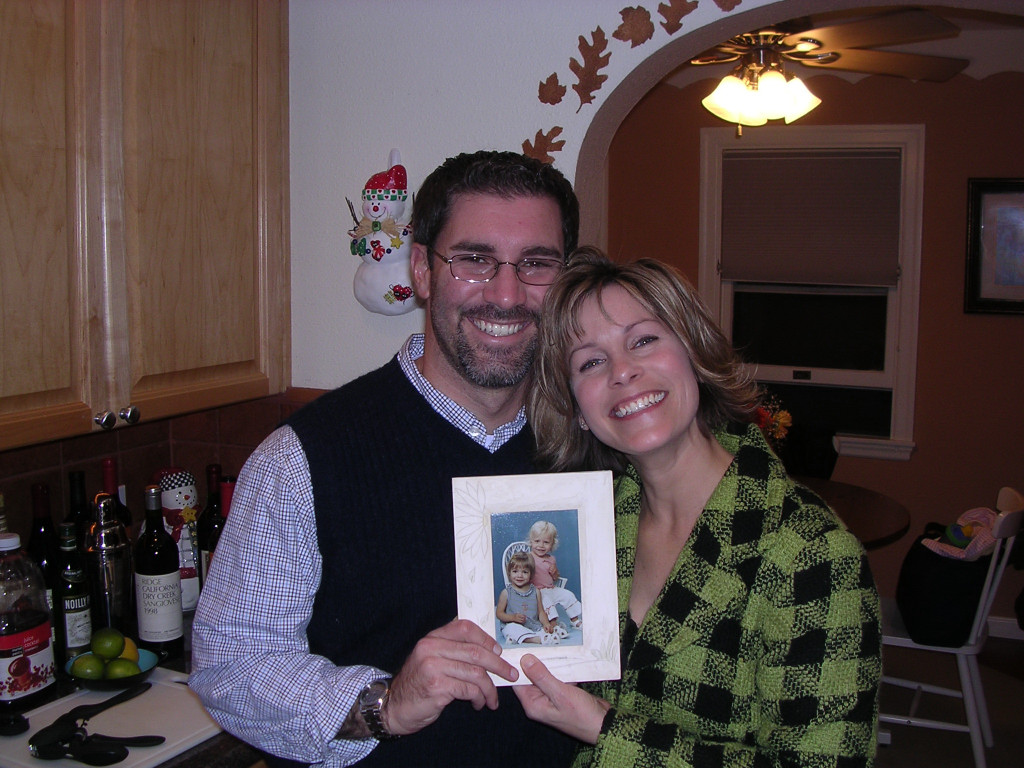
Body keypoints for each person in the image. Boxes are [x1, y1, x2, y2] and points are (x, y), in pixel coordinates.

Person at [189, 150, 580, 768]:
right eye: (473, 260)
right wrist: (386, 704)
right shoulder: (303, 460)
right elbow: (231, 668)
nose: (506, 294)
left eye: (536, 264)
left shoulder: (590, 443)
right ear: (422, 270)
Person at [516, 248, 881, 767]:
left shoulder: (811, 553)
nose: (623, 371)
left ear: (695, 355)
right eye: (591, 362)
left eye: (643, 340)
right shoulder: (585, 531)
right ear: (576, 409)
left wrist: (605, 730)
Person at [496, 552, 562, 645]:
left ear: (531, 574)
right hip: (513, 624)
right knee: (510, 628)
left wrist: (546, 623)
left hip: (532, 626)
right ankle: (536, 640)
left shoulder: (536, 591)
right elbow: (499, 613)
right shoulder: (506, 593)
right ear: (509, 573)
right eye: (515, 571)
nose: (520, 575)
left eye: (525, 572)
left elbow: (541, 612)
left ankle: (524, 637)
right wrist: (513, 617)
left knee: (543, 630)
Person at [528, 520, 583, 628]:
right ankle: (552, 625)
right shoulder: (528, 557)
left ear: (552, 544)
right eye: (537, 541)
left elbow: (554, 578)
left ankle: (574, 620)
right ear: (531, 541)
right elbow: (521, 572)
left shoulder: (551, 559)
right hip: (537, 592)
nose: (541, 545)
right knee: (547, 601)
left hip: (551, 589)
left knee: (568, 595)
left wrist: (555, 572)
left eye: (546, 542)